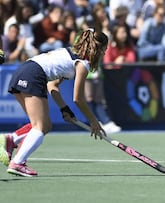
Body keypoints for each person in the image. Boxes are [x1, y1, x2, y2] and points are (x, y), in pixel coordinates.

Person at [1, 29, 108, 177]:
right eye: (104, 50)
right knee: (40, 126)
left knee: (43, 125)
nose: (104, 54)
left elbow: (52, 86)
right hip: (34, 75)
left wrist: (64, 109)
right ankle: (18, 163)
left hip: (24, 70)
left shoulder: (69, 54)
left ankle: (10, 140)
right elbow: (78, 98)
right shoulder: (83, 64)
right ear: (98, 48)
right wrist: (93, 121)